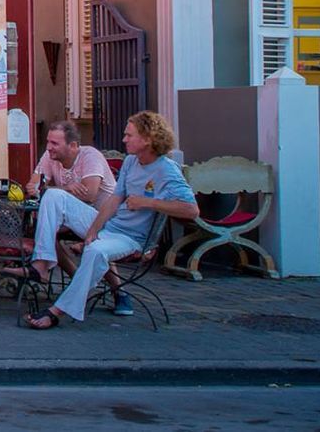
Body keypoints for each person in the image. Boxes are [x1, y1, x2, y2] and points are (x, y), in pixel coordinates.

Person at [12, 111, 200, 330]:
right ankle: (41, 264)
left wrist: (148, 203)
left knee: (96, 251)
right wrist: (92, 231)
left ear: (148, 139)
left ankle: (56, 311)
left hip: (134, 238)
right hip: (110, 225)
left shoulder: (167, 170)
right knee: (53, 196)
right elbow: (113, 200)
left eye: (129, 135)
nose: (124, 140)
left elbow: (191, 210)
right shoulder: (131, 162)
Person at [27, 119, 115, 207]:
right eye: (48, 142)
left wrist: (49, 191)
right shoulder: (49, 155)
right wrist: (67, 188)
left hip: (103, 215)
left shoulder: (91, 156)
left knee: (52, 204)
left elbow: (89, 195)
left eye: (54, 143)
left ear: (72, 146)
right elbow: (35, 187)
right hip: (75, 212)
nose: (48, 147)